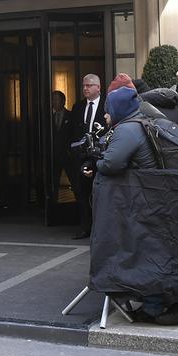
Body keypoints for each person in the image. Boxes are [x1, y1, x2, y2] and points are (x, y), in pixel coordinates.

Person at [90, 85, 178, 325]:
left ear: (117, 109)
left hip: (143, 202)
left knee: (145, 252)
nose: (105, 116)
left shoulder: (127, 129)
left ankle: (153, 307)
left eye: (108, 111)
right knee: (158, 249)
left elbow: (111, 164)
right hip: (159, 197)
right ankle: (171, 299)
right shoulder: (144, 120)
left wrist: (96, 162)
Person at [69, 74, 105, 239]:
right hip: (81, 156)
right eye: (84, 85)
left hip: (99, 155)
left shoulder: (106, 105)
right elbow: (73, 132)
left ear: (98, 87)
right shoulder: (78, 107)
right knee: (82, 192)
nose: (85, 88)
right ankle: (85, 227)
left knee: (99, 192)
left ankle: (100, 228)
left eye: (89, 85)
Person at [50, 90, 73, 204]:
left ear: (63, 101)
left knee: (73, 180)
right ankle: (53, 205)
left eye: (56, 99)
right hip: (54, 155)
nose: (54, 102)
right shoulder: (49, 118)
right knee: (54, 182)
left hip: (67, 154)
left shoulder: (71, 116)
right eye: (53, 100)